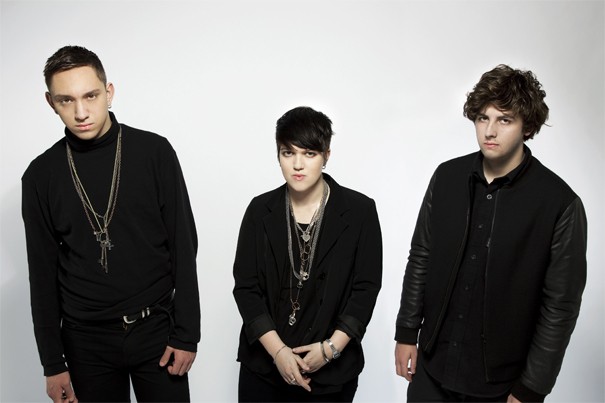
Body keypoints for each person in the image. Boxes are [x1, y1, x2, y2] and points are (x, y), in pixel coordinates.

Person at [394, 64, 587, 402]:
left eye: (505, 120)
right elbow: (421, 255)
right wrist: (407, 332)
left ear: (527, 126)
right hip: (432, 368)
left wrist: (532, 388)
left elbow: (560, 306)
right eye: (483, 118)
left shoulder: (559, 203)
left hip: (500, 384)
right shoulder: (447, 177)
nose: (490, 131)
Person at [21, 45, 200, 403]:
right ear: (51, 103)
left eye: (90, 96)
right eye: (66, 100)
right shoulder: (41, 175)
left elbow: (184, 244)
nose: (81, 112)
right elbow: (41, 274)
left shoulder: (154, 153)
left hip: (155, 329)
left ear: (109, 92)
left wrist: (186, 334)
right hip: (85, 340)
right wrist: (52, 363)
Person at [233, 106, 383, 402]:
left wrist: (330, 349)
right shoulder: (259, 210)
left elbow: (365, 289)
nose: (298, 164)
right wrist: (278, 352)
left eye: (309, 153)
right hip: (264, 369)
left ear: (326, 155)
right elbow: (246, 288)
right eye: (288, 153)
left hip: (332, 373)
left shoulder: (360, 212)